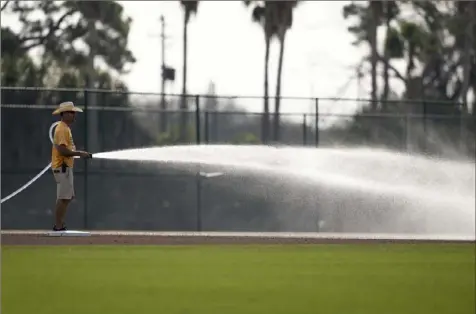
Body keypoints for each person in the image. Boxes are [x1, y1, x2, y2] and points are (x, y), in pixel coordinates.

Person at [51, 101, 92, 231]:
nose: (74, 115)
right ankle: (58, 226)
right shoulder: (62, 129)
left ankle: (60, 224)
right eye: (71, 112)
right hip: (62, 167)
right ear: (64, 114)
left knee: (67, 197)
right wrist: (80, 153)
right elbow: (62, 150)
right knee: (63, 197)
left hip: (65, 168)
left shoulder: (65, 128)